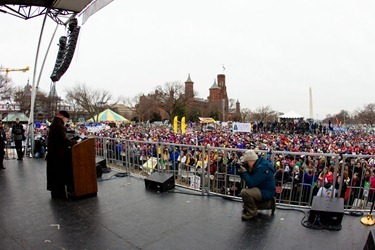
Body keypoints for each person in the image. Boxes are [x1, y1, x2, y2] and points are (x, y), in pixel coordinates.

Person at [46, 111, 77, 200]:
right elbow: (64, 140)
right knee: (60, 175)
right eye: (67, 119)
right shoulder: (59, 126)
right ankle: (60, 194)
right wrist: (74, 142)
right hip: (58, 155)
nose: (66, 121)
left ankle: (56, 193)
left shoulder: (54, 124)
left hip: (53, 154)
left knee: (55, 175)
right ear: (63, 117)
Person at [238, 150, 276, 221]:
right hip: (261, 189)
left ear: (251, 161)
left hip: (266, 191)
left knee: (245, 192)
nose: (246, 164)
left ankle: (252, 213)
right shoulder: (258, 164)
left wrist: (245, 171)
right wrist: (242, 171)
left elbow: (251, 183)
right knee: (246, 205)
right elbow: (250, 179)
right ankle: (269, 204)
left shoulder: (262, 167)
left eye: (246, 162)